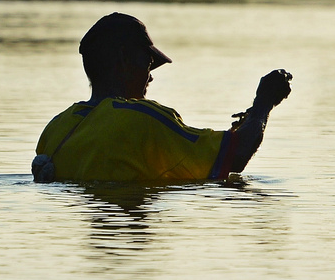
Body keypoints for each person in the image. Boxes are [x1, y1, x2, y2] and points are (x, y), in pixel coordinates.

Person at [33, 12, 291, 184]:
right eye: (147, 65)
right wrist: (263, 103)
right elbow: (235, 155)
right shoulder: (144, 120)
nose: (150, 78)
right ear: (123, 60)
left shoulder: (56, 128)